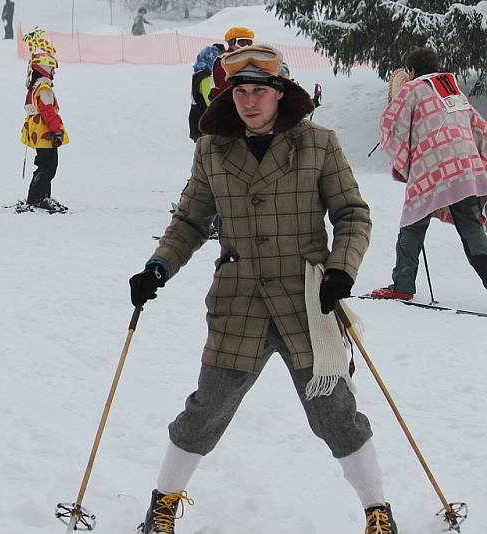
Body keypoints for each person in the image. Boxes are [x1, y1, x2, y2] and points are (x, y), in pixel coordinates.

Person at [130, 46, 397, 534]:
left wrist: (341, 270)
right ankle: (161, 504)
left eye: (259, 91)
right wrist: (157, 267)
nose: (249, 101)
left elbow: (353, 214)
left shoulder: (318, 144)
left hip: (308, 302)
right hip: (240, 302)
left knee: (336, 415)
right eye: (240, 91)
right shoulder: (212, 148)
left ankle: (378, 511)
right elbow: (190, 218)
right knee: (206, 409)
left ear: (280, 94)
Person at [370, 47, 487, 299]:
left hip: (432, 169)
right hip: (466, 170)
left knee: (412, 224)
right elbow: (480, 129)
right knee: (472, 229)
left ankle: (402, 287)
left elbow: (392, 127)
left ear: (411, 71)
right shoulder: (454, 91)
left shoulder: (411, 89)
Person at [19, 28, 69, 212]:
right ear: (45, 69)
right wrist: (57, 131)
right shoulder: (44, 90)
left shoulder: (34, 88)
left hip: (39, 134)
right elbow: (49, 113)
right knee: (47, 166)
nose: (54, 73)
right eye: (52, 70)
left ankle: (42, 196)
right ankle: (36, 197)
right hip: (46, 134)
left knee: (45, 164)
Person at [188, 43, 224, 142]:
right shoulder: (205, 79)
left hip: (198, 122)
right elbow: (212, 102)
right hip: (204, 127)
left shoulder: (198, 75)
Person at [209, 26, 254, 100]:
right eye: (242, 42)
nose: (246, 46)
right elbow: (225, 89)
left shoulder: (242, 59)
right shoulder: (226, 61)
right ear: (231, 43)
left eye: (249, 43)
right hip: (226, 104)